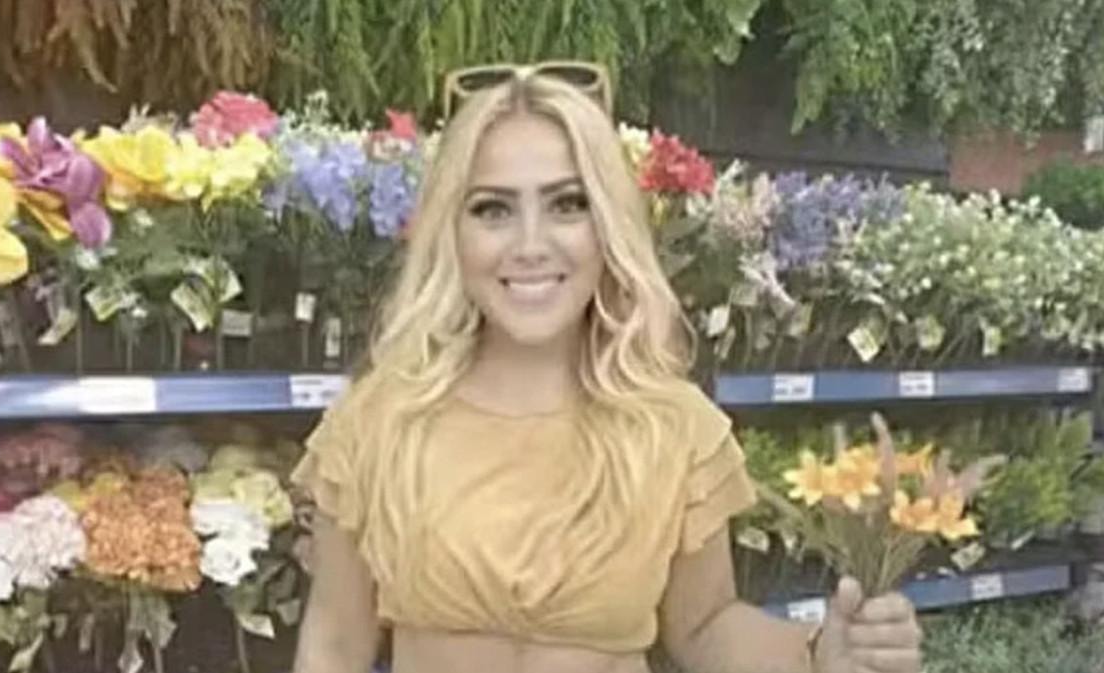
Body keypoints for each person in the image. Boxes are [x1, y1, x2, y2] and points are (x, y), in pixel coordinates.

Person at [290, 62, 924, 673]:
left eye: (568, 204)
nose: (531, 245)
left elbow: (705, 626)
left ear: (609, 226)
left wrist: (819, 655)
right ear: (449, 231)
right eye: (492, 209)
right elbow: (335, 645)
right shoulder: (377, 422)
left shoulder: (676, 428)